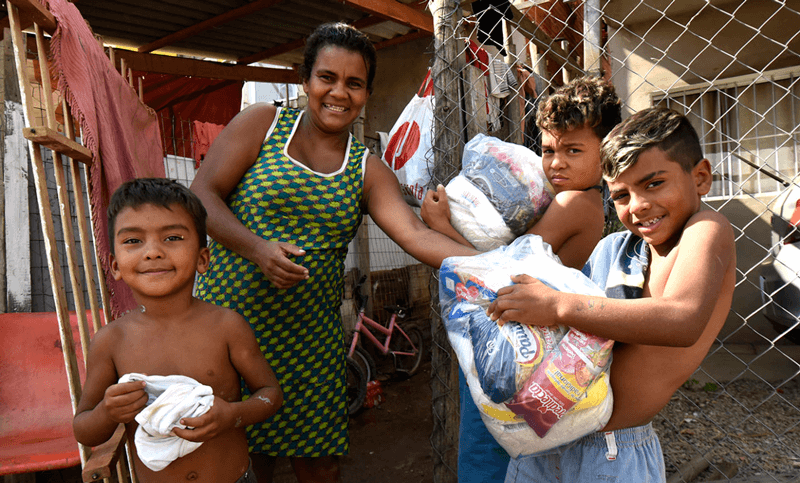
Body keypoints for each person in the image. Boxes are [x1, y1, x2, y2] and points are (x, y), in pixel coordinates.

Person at [189, 22, 479, 483]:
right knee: (244, 459)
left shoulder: (367, 169)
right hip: (229, 329)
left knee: (319, 463)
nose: (338, 93)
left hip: (310, 340)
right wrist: (258, 249)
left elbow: (415, 236)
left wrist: (495, 264)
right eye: (327, 77)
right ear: (306, 80)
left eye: (354, 83)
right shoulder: (264, 124)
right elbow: (203, 195)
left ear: (366, 93)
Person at [488, 107, 736, 482]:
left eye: (654, 184)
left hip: (611, 452)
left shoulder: (705, 230)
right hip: (543, 438)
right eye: (621, 195)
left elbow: (683, 320)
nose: (637, 206)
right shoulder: (615, 250)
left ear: (700, 177)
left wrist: (558, 305)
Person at [422, 76, 622, 482]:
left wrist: (441, 226)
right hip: (527, 346)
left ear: (606, 153)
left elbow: (501, 268)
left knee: (486, 455)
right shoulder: (577, 198)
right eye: (548, 150)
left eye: (573, 150)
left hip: (516, 351)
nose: (556, 163)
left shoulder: (574, 202)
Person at [73, 178, 283, 483]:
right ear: (115, 265)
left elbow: (271, 395)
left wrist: (232, 416)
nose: (153, 252)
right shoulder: (111, 341)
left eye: (172, 237)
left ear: (202, 258)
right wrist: (108, 411)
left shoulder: (227, 326)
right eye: (133, 240)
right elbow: (83, 428)